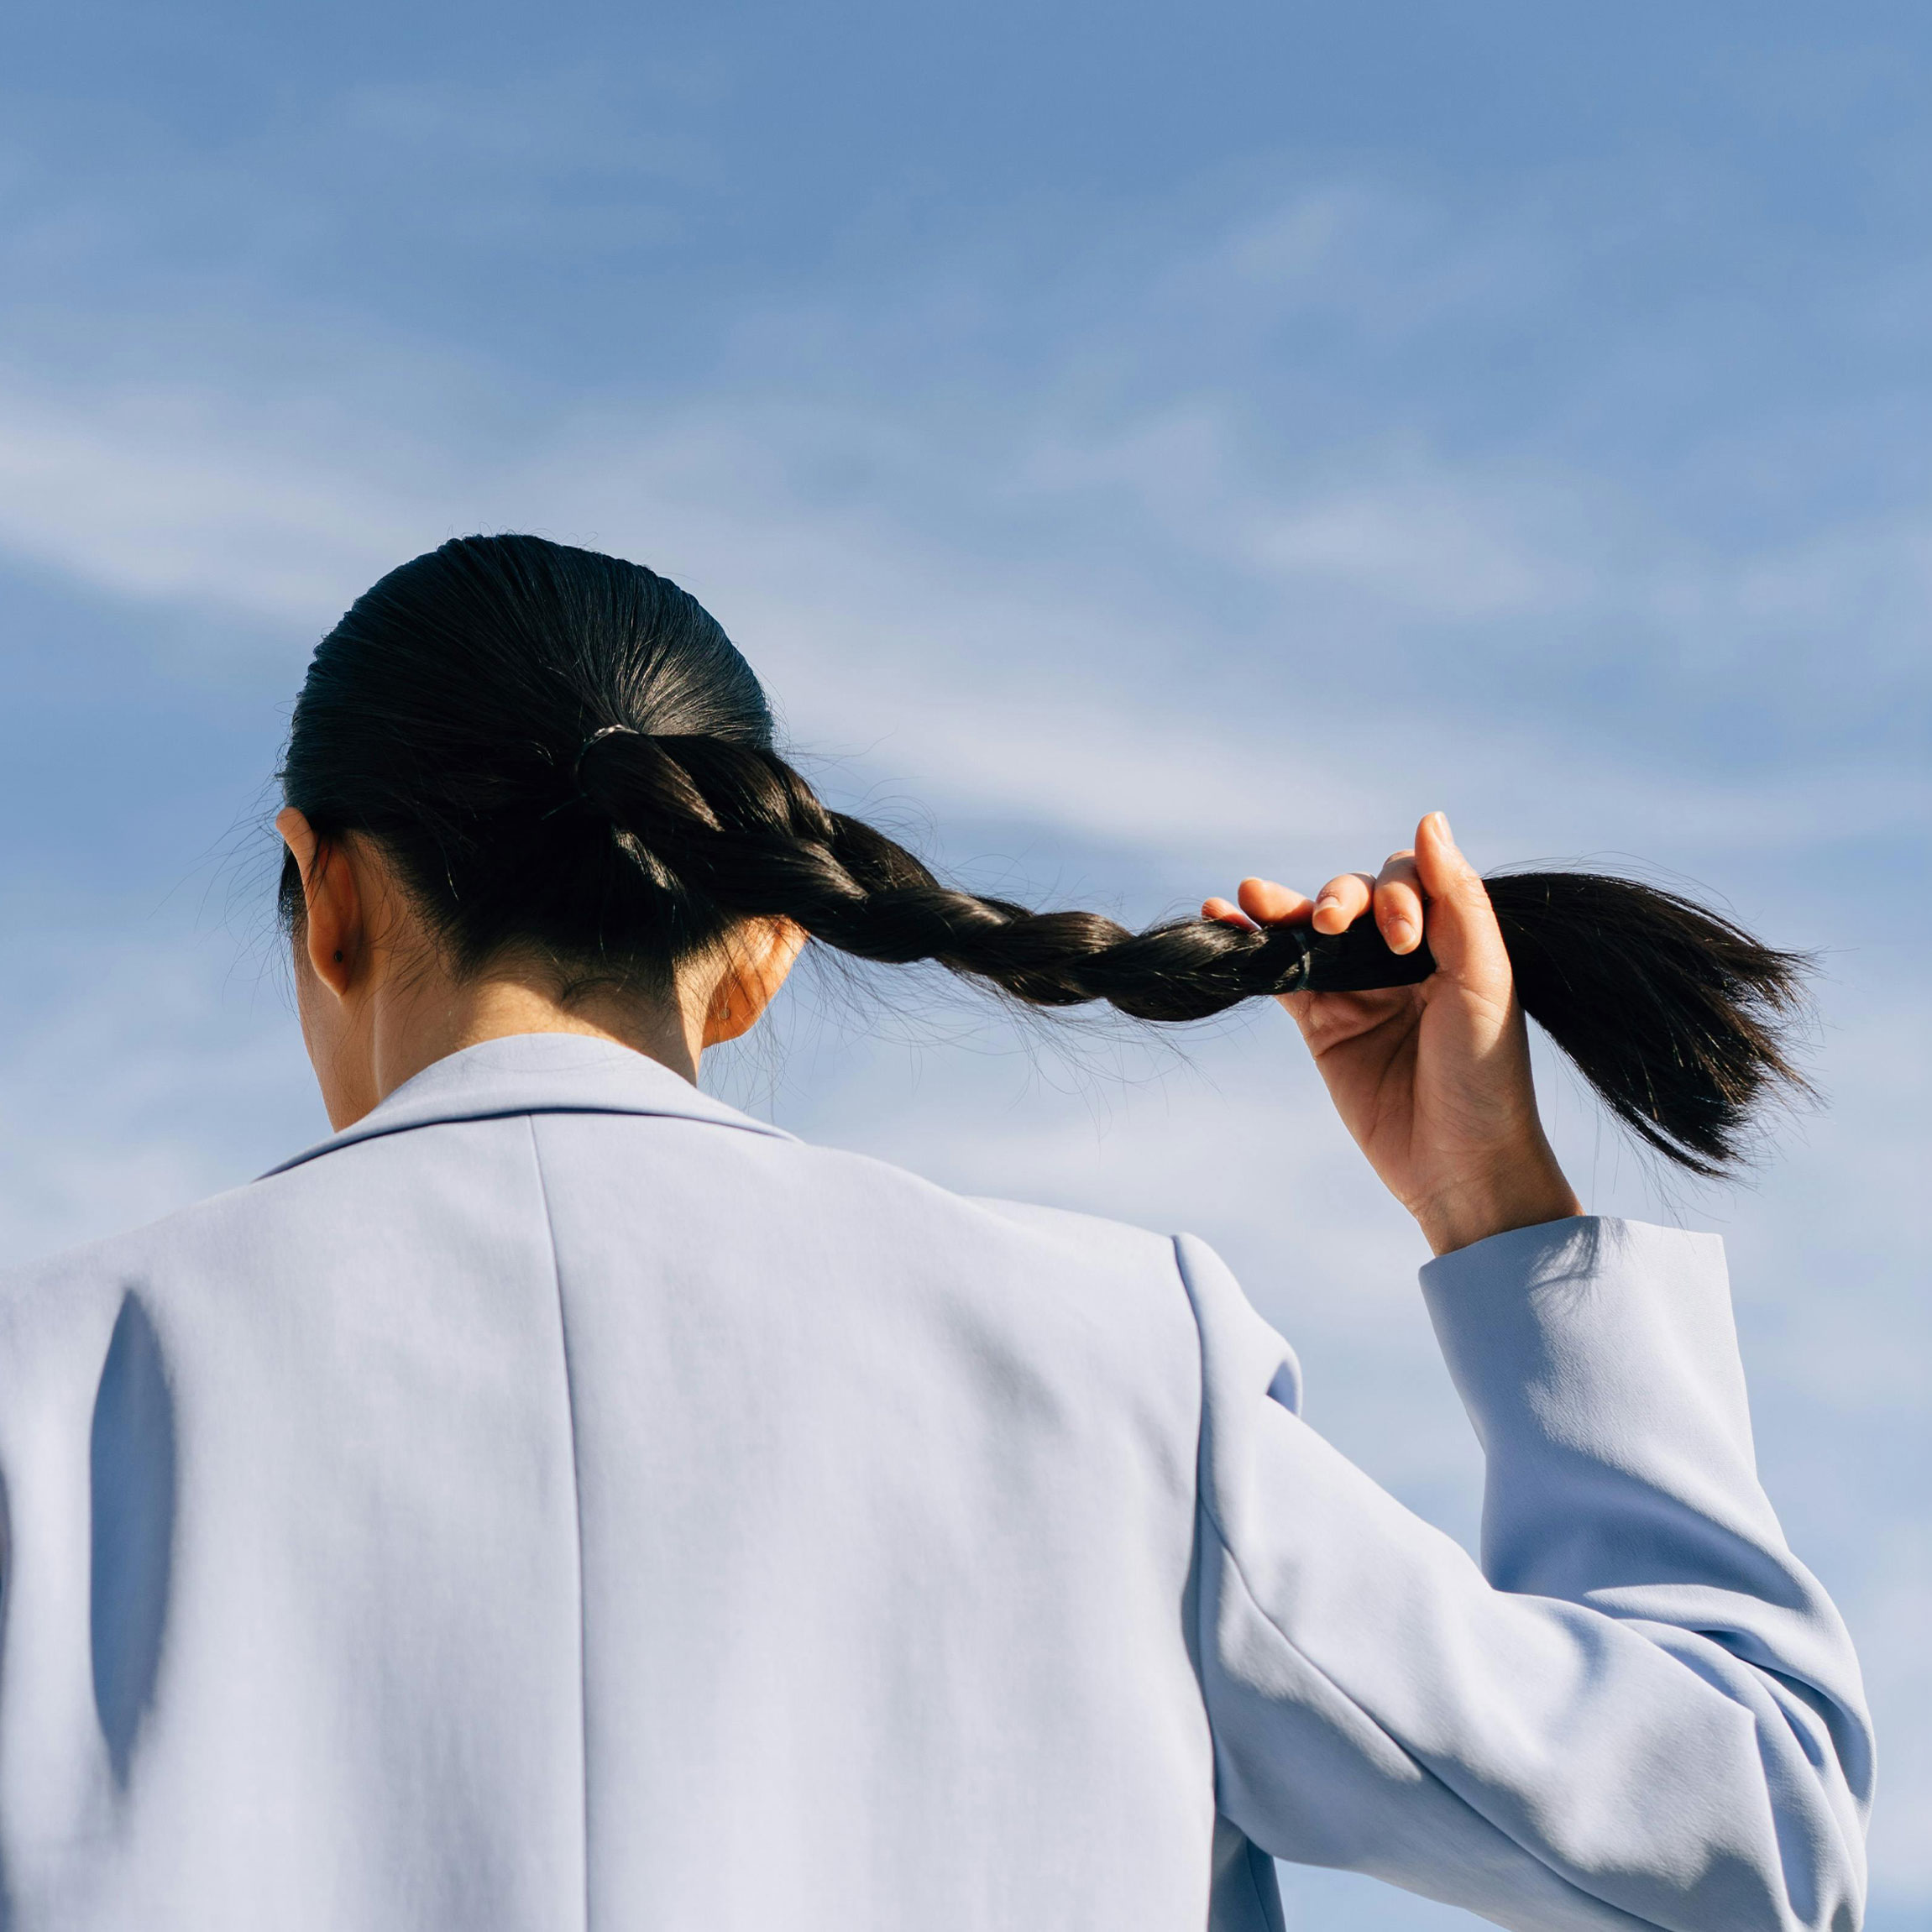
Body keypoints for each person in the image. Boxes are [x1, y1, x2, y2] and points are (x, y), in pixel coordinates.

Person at [0, 535, 1869, 1931]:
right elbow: (1746, 1832)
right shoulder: (1118, 1359)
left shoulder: (42, 1387)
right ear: (758, 956)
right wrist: (1496, 1207)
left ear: (324, 893)